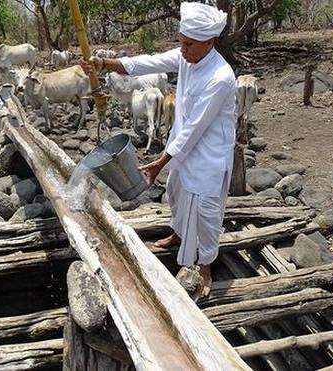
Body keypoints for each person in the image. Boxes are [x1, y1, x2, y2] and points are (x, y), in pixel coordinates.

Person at [82, 2, 236, 297]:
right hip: (183, 146)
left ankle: (205, 266)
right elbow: (146, 63)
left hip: (208, 154)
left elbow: (195, 128)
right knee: (176, 192)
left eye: (189, 44)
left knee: (206, 211)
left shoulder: (220, 77)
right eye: (181, 42)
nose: (183, 49)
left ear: (210, 42)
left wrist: (160, 161)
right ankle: (178, 233)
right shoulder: (186, 58)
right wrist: (104, 64)